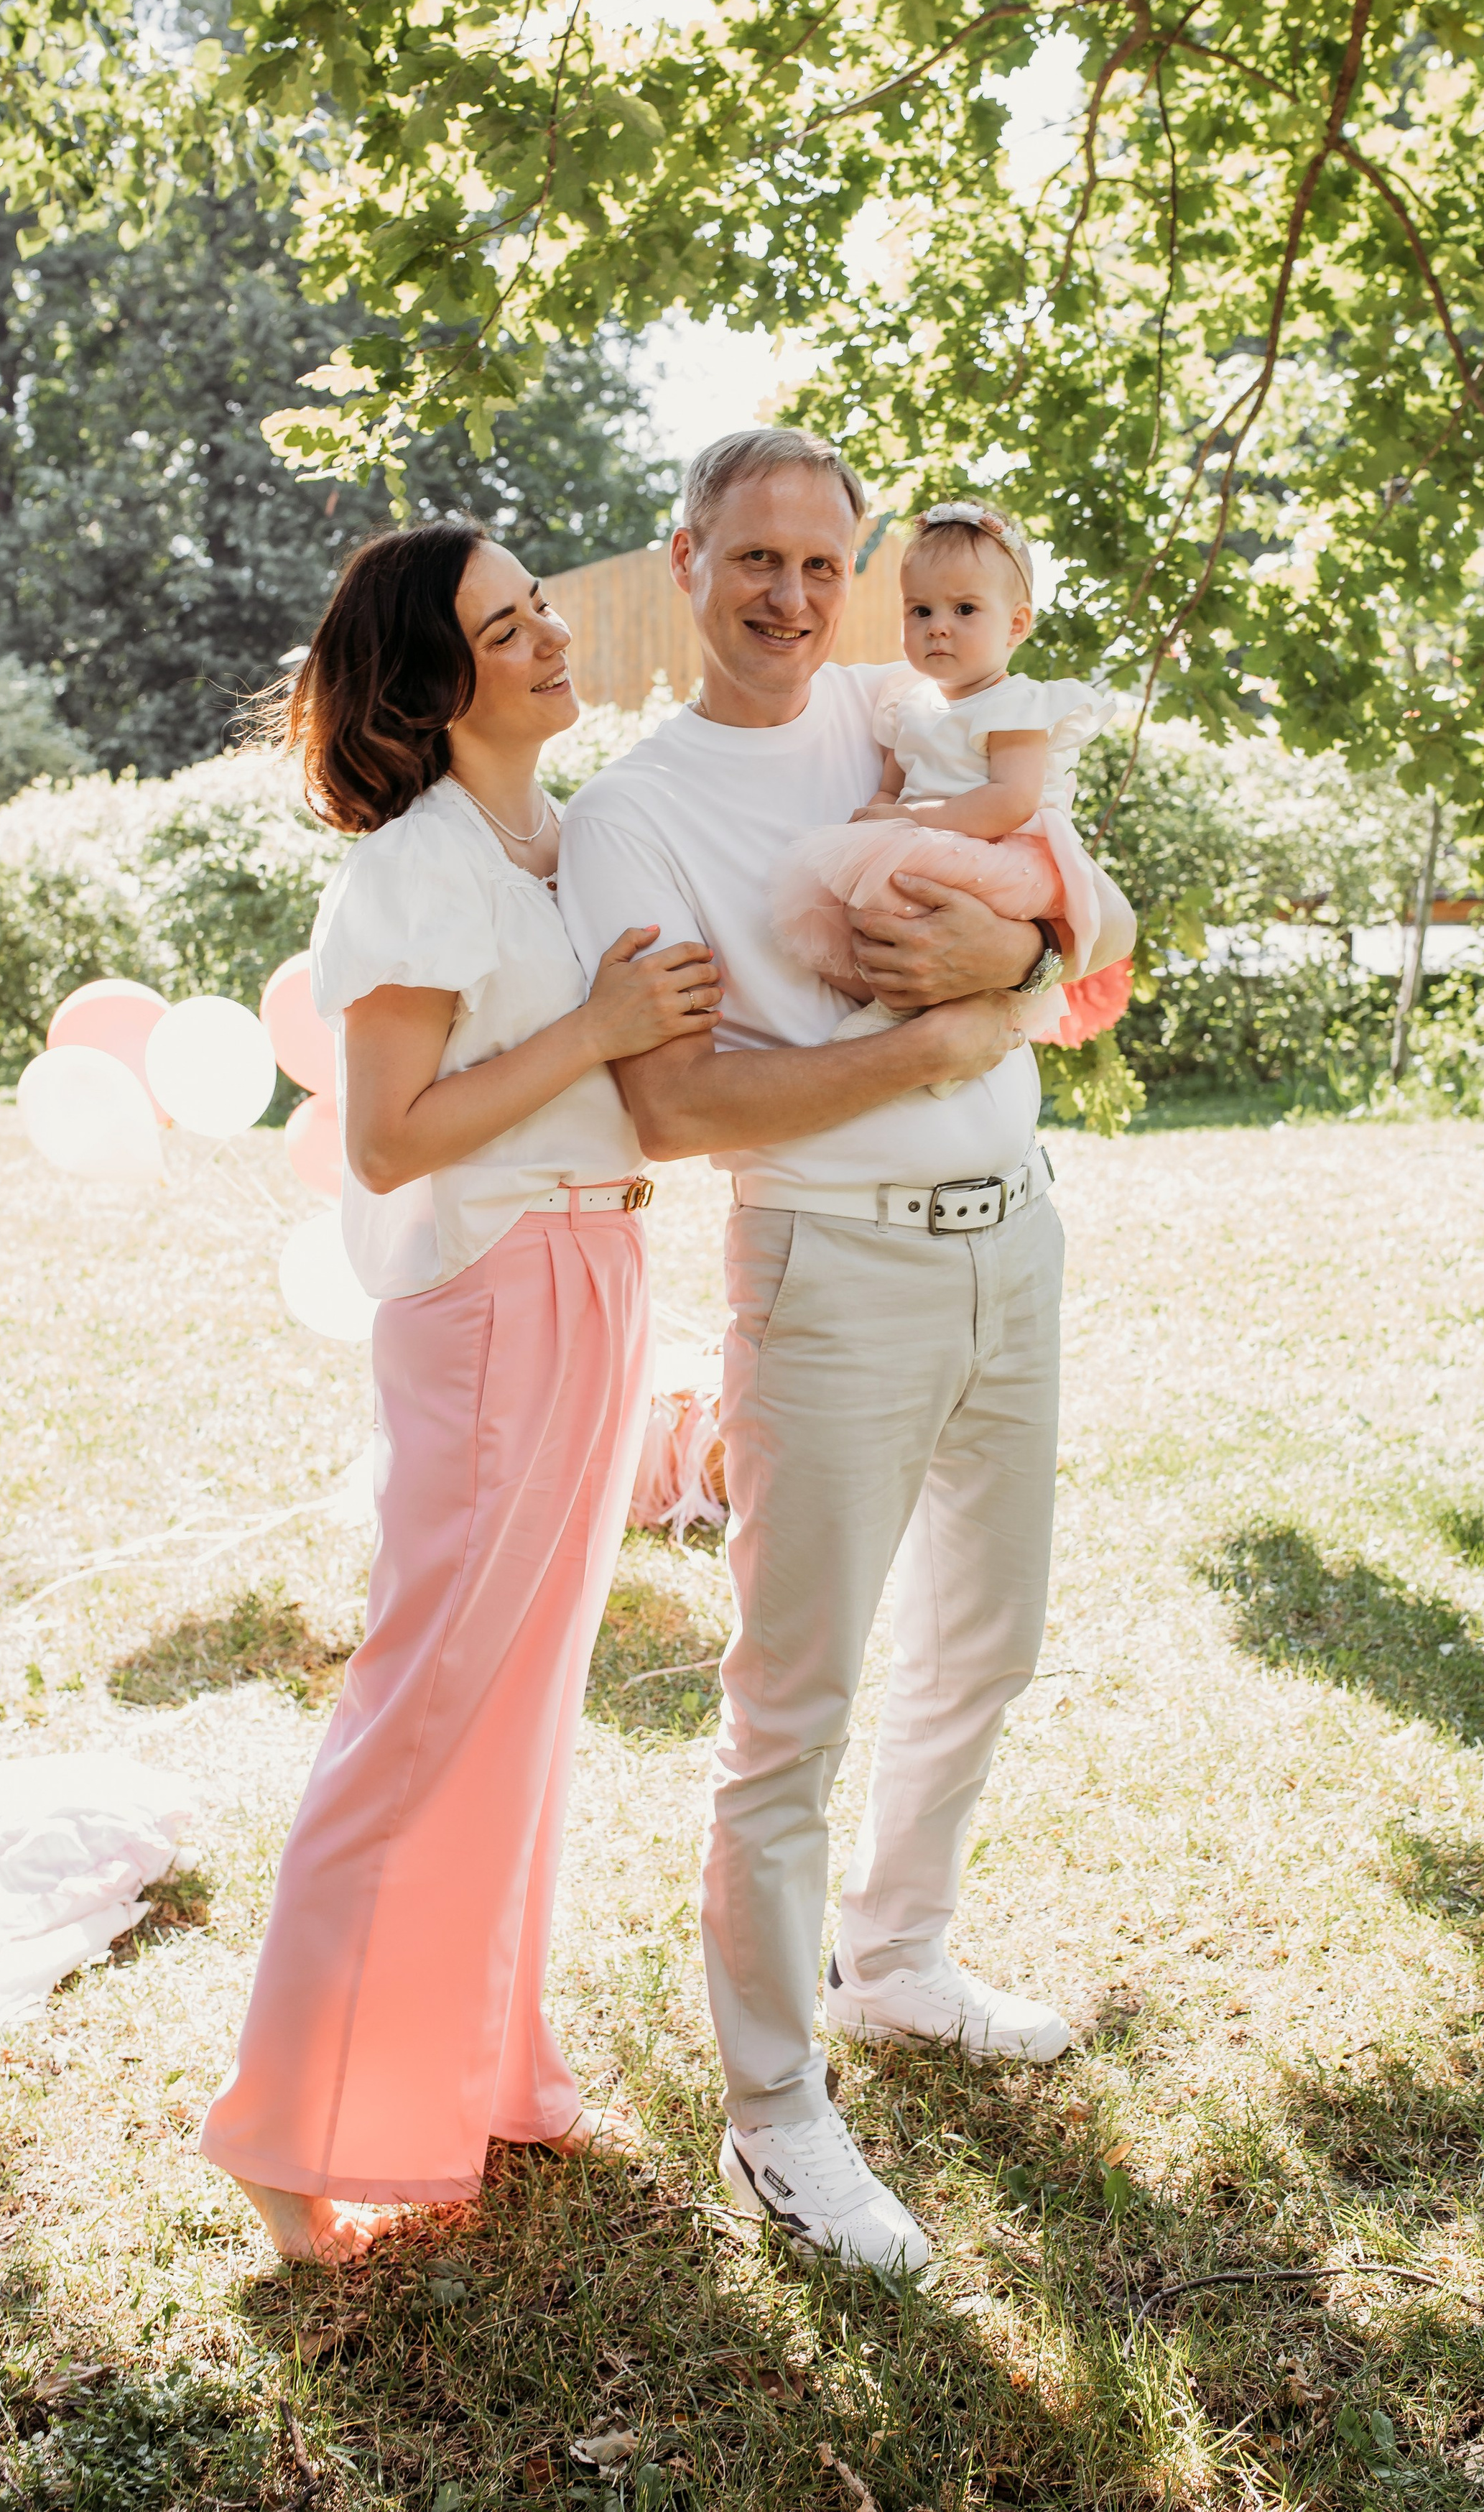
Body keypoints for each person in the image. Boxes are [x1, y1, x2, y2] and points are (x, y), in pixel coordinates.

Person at [559, 430, 1136, 2278]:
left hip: (1014, 1241)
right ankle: (775, 2112)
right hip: (825, 1268)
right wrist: (930, 1040)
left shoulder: (910, 707)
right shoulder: (635, 812)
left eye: (825, 563)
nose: (793, 599)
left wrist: (1018, 960)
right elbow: (667, 1105)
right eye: (756, 561)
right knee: (786, 1709)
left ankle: (895, 1963)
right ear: (686, 558)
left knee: (989, 1641)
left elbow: (1103, 922)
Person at [199, 521, 720, 2264]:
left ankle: (481, 2066)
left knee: (522, 1707)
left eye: (541, 607)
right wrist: (591, 1025)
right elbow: (389, 1136)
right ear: (436, 684)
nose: (551, 636)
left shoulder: (563, 843)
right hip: (490, 1300)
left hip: (595, 1269)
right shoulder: (413, 868)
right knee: (425, 1700)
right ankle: (289, 2125)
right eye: (509, 625)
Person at [772, 497, 1133, 1070]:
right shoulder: (907, 701)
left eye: (965, 609)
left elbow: (1011, 801)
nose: (938, 626)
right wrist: (877, 815)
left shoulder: (1014, 704)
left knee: (908, 889)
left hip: (1001, 851)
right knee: (862, 896)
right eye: (920, 611)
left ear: (1016, 624)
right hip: (931, 840)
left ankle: (921, 1018)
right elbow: (894, 783)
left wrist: (911, 820)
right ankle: (916, 1011)